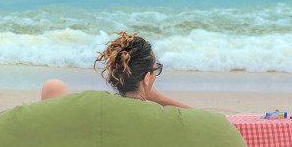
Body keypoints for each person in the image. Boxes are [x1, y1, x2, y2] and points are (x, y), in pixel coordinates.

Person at [41, 31, 191, 108]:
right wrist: (160, 99)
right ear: (146, 78)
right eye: (156, 68)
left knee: (54, 85)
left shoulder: (93, 106)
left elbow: (51, 87)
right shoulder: (159, 117)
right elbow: (200, 119)